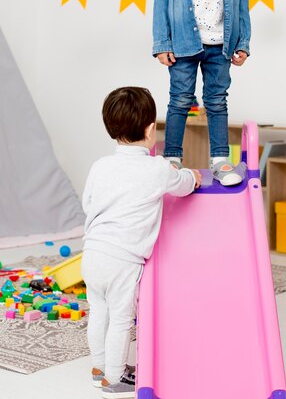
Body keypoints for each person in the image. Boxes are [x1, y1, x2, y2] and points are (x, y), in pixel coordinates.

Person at [81, 86, 201, 398]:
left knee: (98, 311)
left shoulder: (100, 167)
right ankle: (115, 376)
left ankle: (98, 369)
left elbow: (87, 204)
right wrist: (194, 177)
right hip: (123, 259)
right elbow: (183, 184)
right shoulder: (157, 169)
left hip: (93, 252)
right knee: (121, 318)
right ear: (150, 130)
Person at [152, 0, 251, 186]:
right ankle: (172, 159)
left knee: (217, 101)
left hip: (220, 45)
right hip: (183, 44)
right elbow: (160, 1)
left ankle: (220, 160)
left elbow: (242, 3)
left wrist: (243, 43)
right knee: (180, 99)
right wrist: (161, 43)